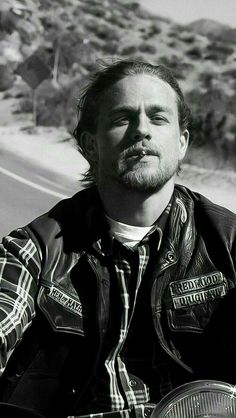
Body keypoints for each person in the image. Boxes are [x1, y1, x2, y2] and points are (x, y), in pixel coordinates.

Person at [0, 58, 236, 418]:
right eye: (122, 118)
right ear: (90, 145)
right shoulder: (36, 249)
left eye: (158, 118)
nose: (142, 130)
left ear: (182, 143)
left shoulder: (229, 244)